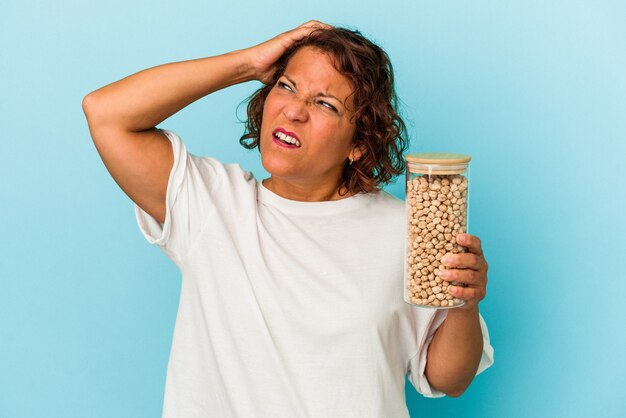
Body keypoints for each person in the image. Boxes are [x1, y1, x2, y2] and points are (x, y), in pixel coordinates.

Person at [82, 20, 494, 418]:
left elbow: (448, 379)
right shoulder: (212, 205)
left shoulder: (408, 230)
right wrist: (249, 64)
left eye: (325, 104)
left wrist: (465, 304)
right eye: (286, 86)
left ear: (358, 143)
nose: (294, 111)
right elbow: (106, 112)